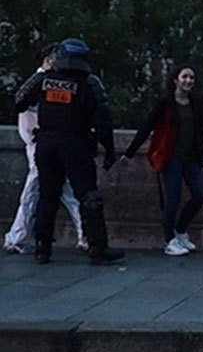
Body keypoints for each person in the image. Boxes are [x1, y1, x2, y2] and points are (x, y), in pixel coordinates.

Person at [14, 38, 123, 265]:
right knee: (88, 196)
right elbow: (103, 120)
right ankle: (97, 247)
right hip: (75, 143)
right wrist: (109, 150)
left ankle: (42, 247)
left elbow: (19, 100)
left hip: (46, 142)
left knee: (47, 196)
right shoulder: (89, 83)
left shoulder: (45, 80)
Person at [4, 44, 87, 255]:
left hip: (40, 144)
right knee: (62, 191)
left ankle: (18, 237)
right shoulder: (47, 81)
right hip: (45, 143)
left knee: (39, 192)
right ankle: (84, 234)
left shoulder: (40, 81)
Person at [121, 65, 203, 256]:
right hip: (171, 157)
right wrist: (130, 152)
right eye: (185, 77)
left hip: (191, 158)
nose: (188, 81)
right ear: (176, 80)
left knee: (200, 194)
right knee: (173, 198)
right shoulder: (166, 104)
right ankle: (169, 240)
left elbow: (199, 132)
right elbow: (147, 127)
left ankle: (181, 230)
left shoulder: (195, 103)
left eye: (191, 78)